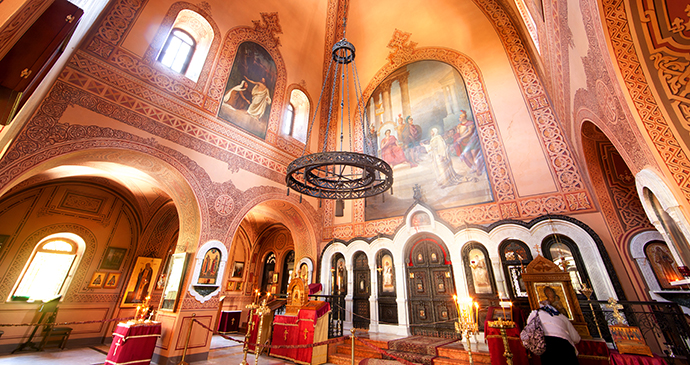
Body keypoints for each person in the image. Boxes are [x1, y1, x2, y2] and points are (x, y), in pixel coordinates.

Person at [526, 299, 581, 364]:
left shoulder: (535, 314)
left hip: (546, 345)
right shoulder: (561, 316)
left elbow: (529, 329)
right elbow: (576, 338)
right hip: (564, 345)